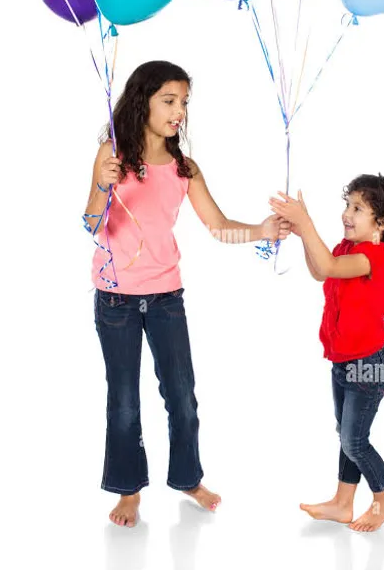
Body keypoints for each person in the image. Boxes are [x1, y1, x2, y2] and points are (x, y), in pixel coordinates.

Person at [83, 60, 291, 528]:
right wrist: (103, 186)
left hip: (165, 298)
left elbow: (218, 227)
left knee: (181, 394)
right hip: (115, 299)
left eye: (185, 103)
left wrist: (260, 230)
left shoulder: (184, 167)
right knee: (124, 398)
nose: (180, 112)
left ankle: (187, 478)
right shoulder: (111, 154)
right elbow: (91, 225)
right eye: (170, 101)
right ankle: (128, 490)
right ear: (144, 100)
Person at [269, 174, 384, 532]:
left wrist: (306, 223)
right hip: (344, 362)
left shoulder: (376, 256)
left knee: (354, 440)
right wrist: (304, 234)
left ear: (383, 222)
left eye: (357, 208)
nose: (346, 214)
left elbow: (331, 268)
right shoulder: (348, 249)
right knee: (346, 434)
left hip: (368, 365)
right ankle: (342, 502)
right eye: (347, 206)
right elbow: (321, 271)